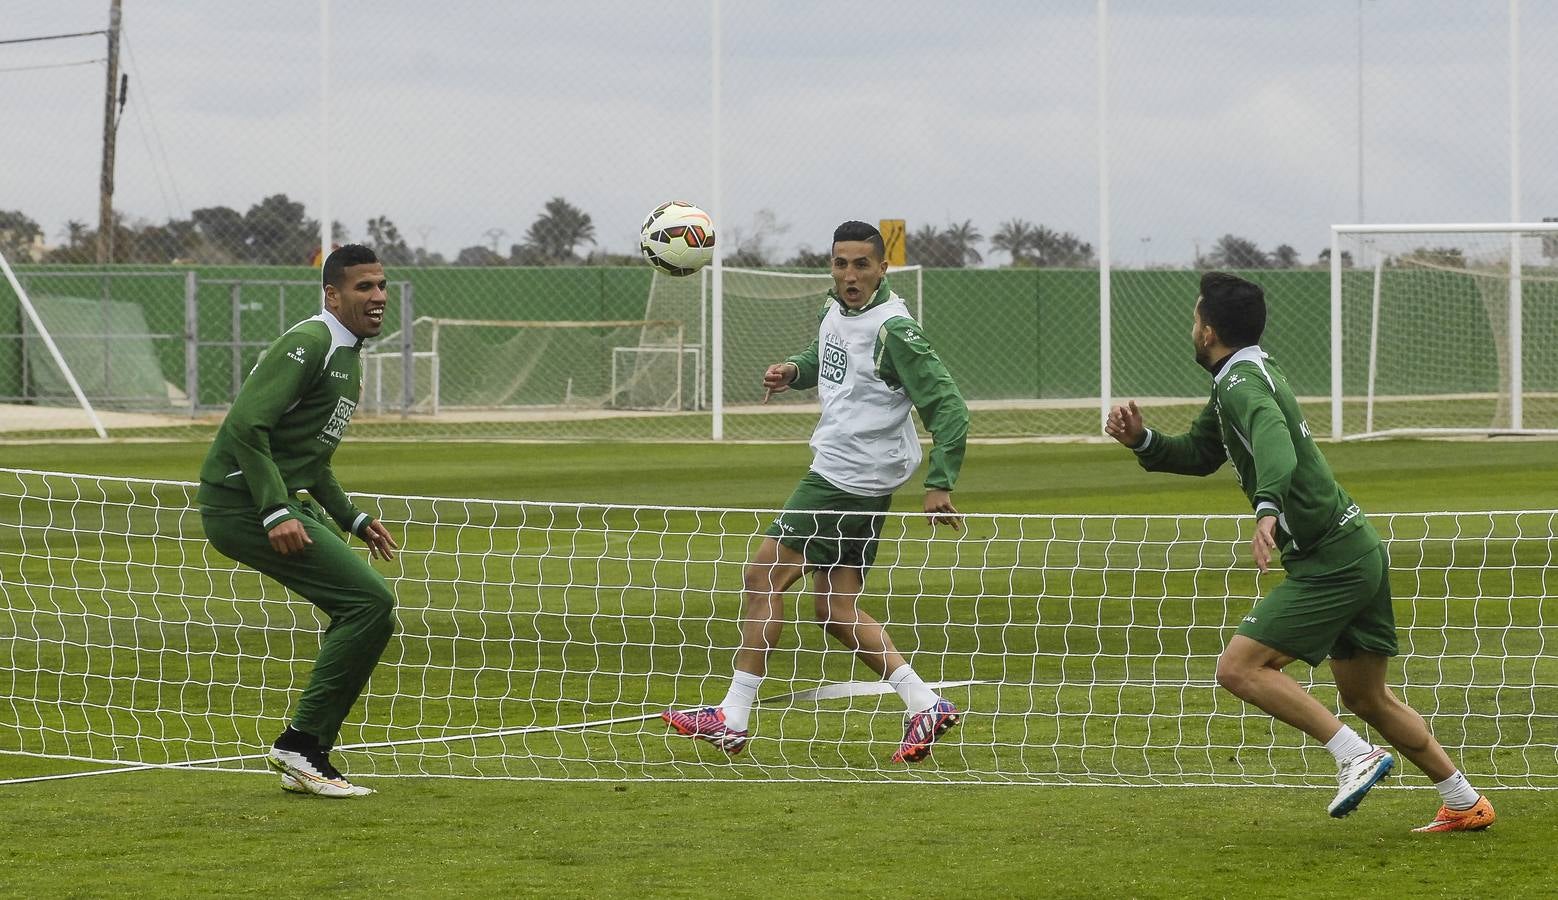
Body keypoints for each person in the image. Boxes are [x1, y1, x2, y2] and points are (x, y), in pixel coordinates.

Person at [1103, 271, 1495, 832]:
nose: (1192, 328)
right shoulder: (1244, 373)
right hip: (1354, 546)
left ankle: (1353, 755)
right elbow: (1200, 452)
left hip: (1332, 557)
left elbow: (1274, 443)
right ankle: (1463, 801)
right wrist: (1141, 440)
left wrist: (1266, 507)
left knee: (1239, 668)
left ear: (1208, 330)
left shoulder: (1241, 385)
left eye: (1194, 319)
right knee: (1368, 696)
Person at [663, 221, 969, 763]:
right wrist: (792, 371)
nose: (849, 275)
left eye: (861, 265)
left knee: (762, 577)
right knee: (832, 607)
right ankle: (924, 704)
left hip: (842, 479)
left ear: (882, 269)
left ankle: (732, 716)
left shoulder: (895, 330)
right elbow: (826, 360)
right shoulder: (837, 312)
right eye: (840, 263)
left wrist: (940, 482)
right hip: (861, 481)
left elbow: (948, 406)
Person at [198, 244, 399, 798]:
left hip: (277, 500)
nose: (378, 297)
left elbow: (311, 459)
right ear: (332, 293)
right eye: (364, 288)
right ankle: (300, 748)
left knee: (368, 611)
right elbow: (244, 427)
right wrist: (275, 509)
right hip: (242, 506)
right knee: (368, 602)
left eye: (382, 286)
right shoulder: (310, 342)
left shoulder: (349, 354)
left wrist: (354, 518)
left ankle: (307, 751)